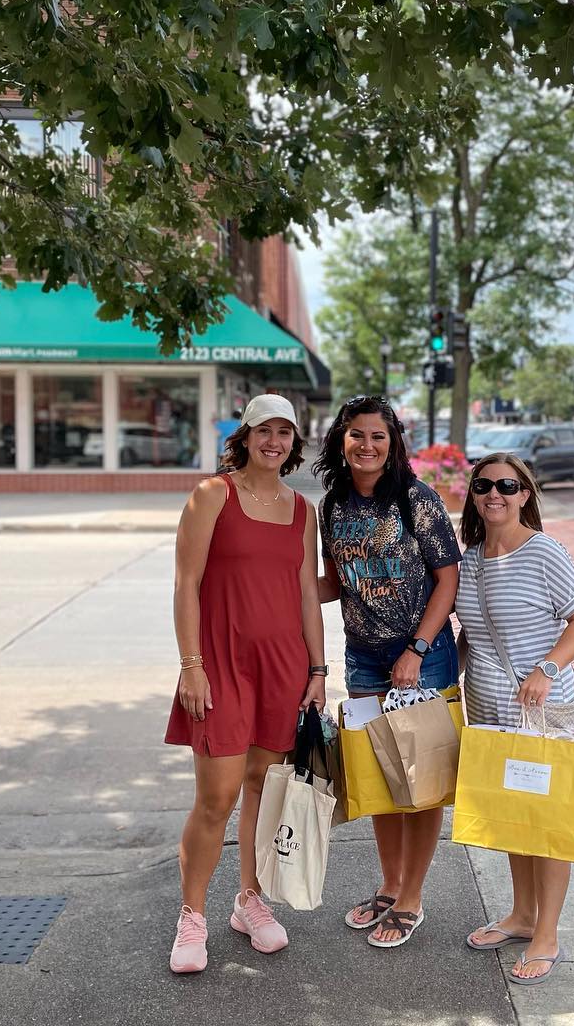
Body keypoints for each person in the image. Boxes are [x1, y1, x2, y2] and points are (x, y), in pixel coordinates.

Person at [165, 393, 327, 974]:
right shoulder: (213, 495)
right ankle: (192, 914)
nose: (274, 441)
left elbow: (308, 593)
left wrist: (317, 668)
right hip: (221, 663)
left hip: (283, 667)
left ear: (293, 443)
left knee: (262, 784)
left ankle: (249, 901)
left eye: (285, 432)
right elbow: (186, 585)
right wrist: (191, 664)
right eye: (265, 430)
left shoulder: (301, 508)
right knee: (217, 795)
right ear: (245, 435)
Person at [313, 395, 462, 949]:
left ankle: (413, 898)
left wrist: (418, 649)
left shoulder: (416, 501)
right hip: (364, 659)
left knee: (420, 782)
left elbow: (447, 580)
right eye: (357, 435)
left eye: (378, 436)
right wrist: (279, 588)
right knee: (380, 775)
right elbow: (337, 582)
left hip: (421, 659)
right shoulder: (333, 505)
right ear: (341, 440)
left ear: (393, 442)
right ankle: (390, 884)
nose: (367, 445)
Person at [454, 452, 574, 985]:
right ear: (472, 494)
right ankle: (521, 915)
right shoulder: (470, 559)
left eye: (507, 486)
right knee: (513, 814)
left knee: (549, 823)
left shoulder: (544, 553)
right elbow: (473, 630)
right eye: (484, 485)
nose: (495, 494)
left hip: (543, 711)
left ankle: (547, 934)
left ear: (525, 495)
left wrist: (547, 666)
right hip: (489, 708)